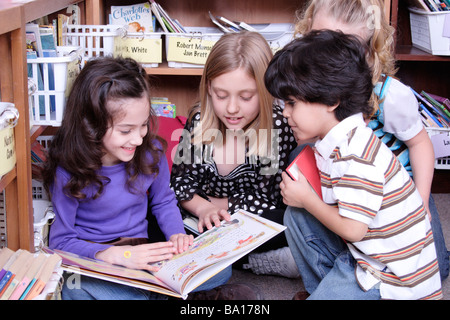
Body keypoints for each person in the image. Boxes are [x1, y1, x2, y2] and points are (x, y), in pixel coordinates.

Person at [42, 56, 243, 300]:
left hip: (144, 250)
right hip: (99, 261)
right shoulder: (69, 170)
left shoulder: (150, 154)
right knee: (76, 290)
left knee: (222, 270)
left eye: (143, 125)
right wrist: (115, 256)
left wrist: (177, 236)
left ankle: (157, 292)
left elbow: (163, 201)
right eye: (126, 130)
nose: (138, 139)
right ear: (90, 125)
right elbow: (60, 242)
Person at [265, 29, 442, 300]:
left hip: (393, 280)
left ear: (331, 101)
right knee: (297, 216)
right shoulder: (337, 138)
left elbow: (353, 229)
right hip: (368, 255)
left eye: (291, 103)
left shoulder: (354, 155)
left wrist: (308, 198)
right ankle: (325, 288)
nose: (285, 113)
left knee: (304, 208)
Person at [292, 0, 449, 281]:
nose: (329, 58)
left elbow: (420, 144)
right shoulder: (308, 90)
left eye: (343, 46)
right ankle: (344, 271)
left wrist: (422, 202)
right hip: (346, 189)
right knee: (296, 172)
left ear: (369, 49)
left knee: (435, 269)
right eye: (320, 41)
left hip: (394, 200)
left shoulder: (390, 95)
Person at [170, 31, 298, 278]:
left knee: (291, 220)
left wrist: (219, 205)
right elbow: (180, 187)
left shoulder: (277, 127)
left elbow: (269, 199)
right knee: (157, 215)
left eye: (246, 97)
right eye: (220, 95)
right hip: (199, 218)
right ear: (208, 88)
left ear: (264, 91)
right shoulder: (199, 122)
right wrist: (204, 209)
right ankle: (245, 261)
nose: (231, 108)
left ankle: (222, 258)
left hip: (250, 220)